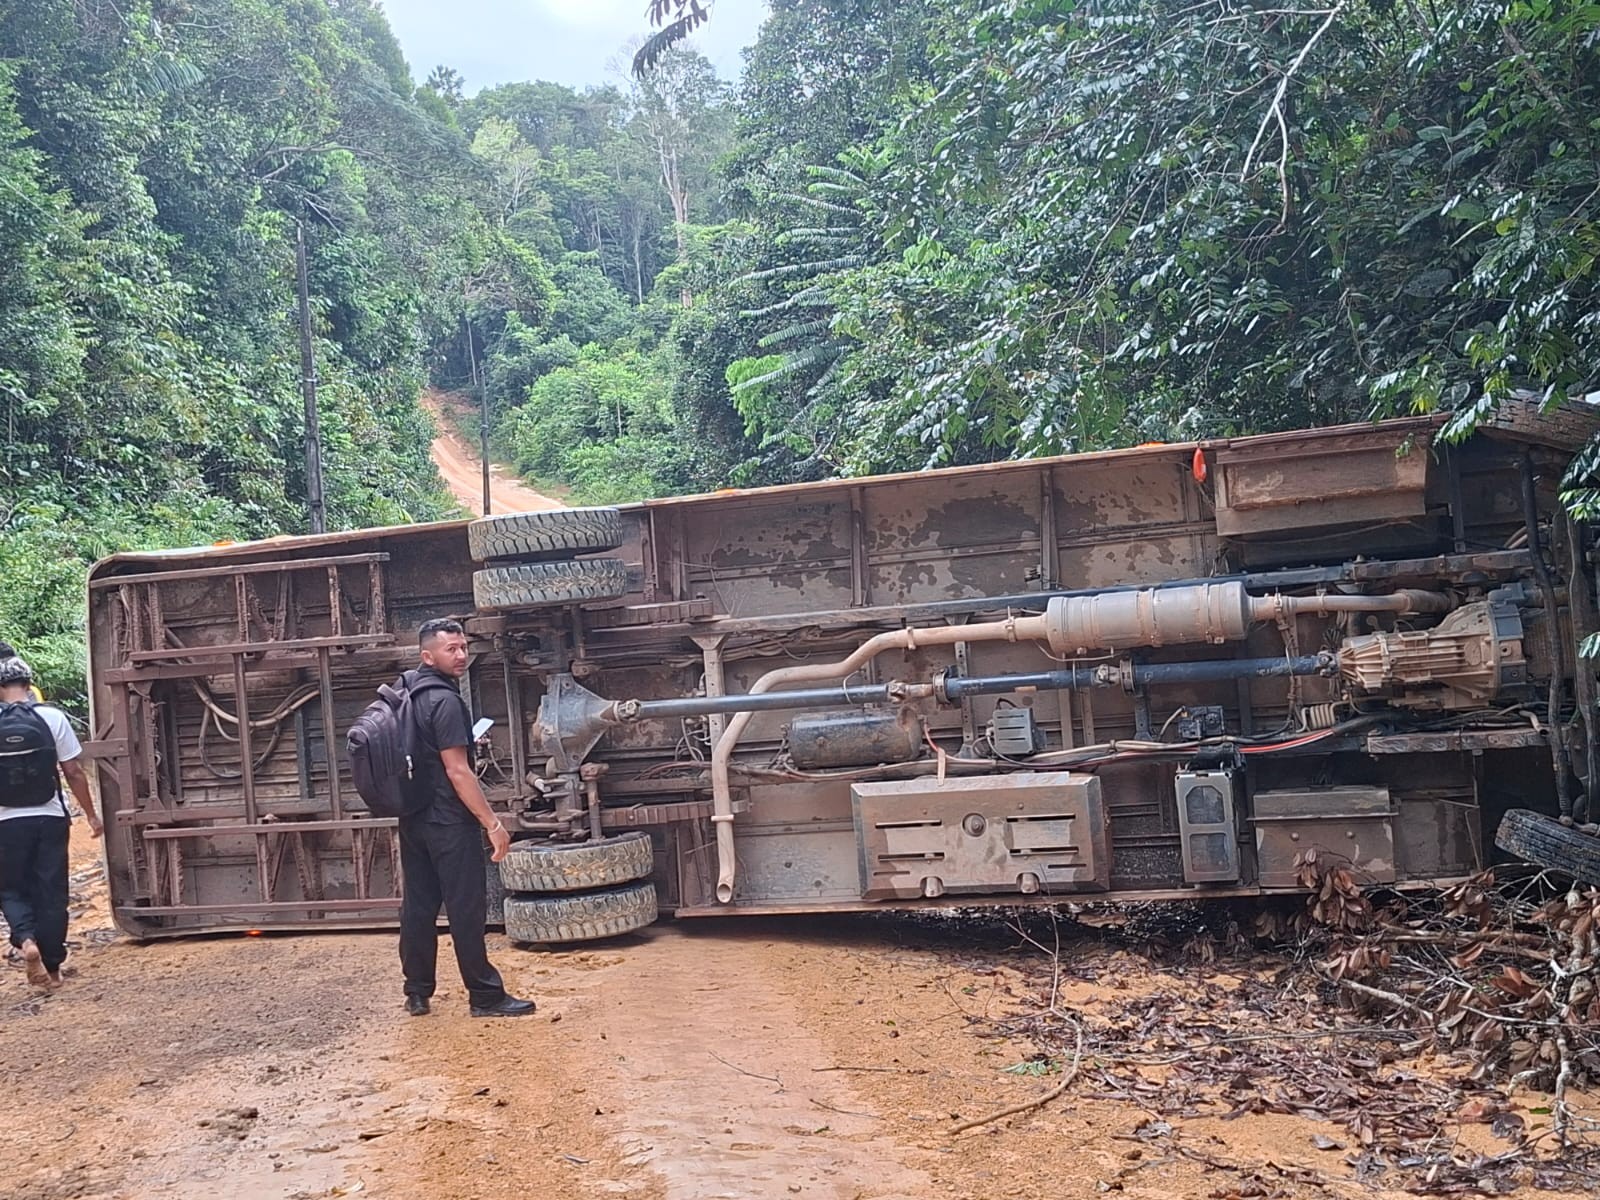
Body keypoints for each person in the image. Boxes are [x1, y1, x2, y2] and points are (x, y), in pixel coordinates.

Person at [397, 618, 535, 1018]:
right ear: (428, 655)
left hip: (413, 816)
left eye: (462, 647)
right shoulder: (445, 701)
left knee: (419, 906)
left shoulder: (407, 690)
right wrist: (492, 823)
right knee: (465, 908)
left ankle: (417, 992)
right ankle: (485, 996)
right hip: (448, 821)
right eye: (450, 649)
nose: (461, 656)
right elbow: (458, 771)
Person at [0, 655, 101, 991]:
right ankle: (53, 968)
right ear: (29, 685)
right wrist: (90, 813)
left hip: (6, 821)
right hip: (50, 817)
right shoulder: (53, 717)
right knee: (52, 890)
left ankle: (26, 941)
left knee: (11, 887)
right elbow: (73, 771)